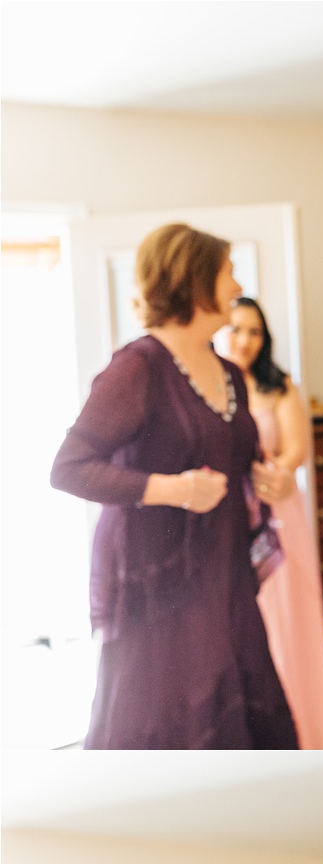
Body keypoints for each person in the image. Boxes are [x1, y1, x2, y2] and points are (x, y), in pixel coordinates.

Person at [50, 223, 298, 749]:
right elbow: (69, 467)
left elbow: (232, 455)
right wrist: (173, 489)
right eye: (228, 273)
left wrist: (266, 478)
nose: (236, 286)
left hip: (224, 567)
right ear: (194, 281)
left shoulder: (230, 373)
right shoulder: (137, 368)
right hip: (158, 578)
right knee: (166, 714)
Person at [219, 297, 323, 749]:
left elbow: (297, 448)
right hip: (232, 517)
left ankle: (311, 735)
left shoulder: (279, 386)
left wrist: (278, 471)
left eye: (254, 331)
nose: (244, 340)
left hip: (278, 512)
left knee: (289, 619)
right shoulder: (211, 384)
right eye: (235, 329)